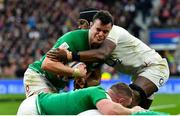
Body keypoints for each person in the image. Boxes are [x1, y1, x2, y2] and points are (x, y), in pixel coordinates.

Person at [46, 9, 170, 109]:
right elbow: (96, 79)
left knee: (127, 100)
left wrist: (70, 56)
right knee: (139, 111)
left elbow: (102, 54)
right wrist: (83, 82)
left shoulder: (112, 32)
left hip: (154, 67)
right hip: (138, 74)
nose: (79, 27)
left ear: (92, 23)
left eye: (82, 23)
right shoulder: (93, 44)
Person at [23, 10, 113, 98]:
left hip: (56, 85)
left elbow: (95, 79)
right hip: (39, 75)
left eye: (105, 32)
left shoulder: (102, 50)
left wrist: (84, 82)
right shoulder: (73, 38)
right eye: (98, 29)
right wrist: (75, 72)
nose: (101, 34)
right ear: (91, 25)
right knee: (44, 110)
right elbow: (46, 64)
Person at [17, 82, 145, 115]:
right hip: (35, 108)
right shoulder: (99, 92)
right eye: (126, 105)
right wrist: (132, 111)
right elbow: (111, 111)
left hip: (36, 106)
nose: (125, 109)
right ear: (120, 101)